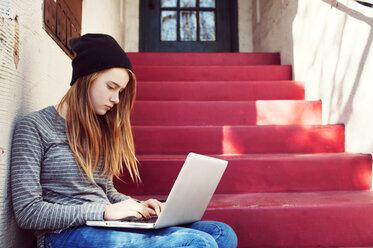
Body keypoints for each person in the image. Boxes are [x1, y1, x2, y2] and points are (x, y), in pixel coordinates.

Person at [10, 33, 238, 248]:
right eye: (111, 87)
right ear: (85, 78)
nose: (116, 99)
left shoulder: (97, 128)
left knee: (221, 233)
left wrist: (138, 206)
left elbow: (106, 190)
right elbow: (28, 212)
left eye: (121, 91)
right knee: (198, 243)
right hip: (63, 234)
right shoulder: (34, 127)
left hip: (103, 224)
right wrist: (103, 212)